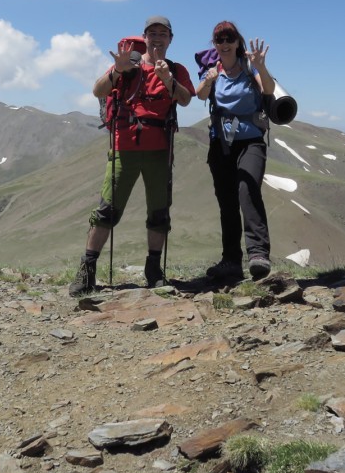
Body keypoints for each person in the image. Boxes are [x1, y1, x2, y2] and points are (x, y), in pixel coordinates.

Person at [68, 15, 194, 296]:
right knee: (107, 210)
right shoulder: (128, 66)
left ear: (171, 39)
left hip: (160, 150)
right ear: (145, 37)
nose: (158, 38)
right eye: (153, 33)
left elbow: (185, 99)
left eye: (163, 33)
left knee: (159, 213)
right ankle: (87, 270)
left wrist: (167, 79)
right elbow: (97, 91)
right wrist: (117, 70)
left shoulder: (175, 69)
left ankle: (153, 270)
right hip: (124, 148)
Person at [196, 21, 276, 282]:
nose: (224, 43)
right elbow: (200, 95)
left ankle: (258, 253)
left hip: (251, 140)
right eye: (219, 39)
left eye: (229, 38)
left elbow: (269, 89)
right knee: (226, 201)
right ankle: (231, 261)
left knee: (247, 188)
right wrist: (209, 81)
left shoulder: (249, 66)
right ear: (214, 44)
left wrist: (261, 66)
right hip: (221, 142)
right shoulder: (211, 69)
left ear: (237, 41)